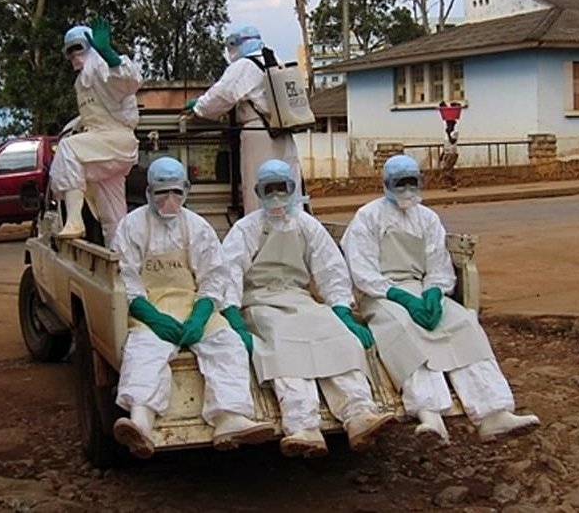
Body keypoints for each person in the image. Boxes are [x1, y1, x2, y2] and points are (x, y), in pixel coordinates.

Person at [340, 155, 539, 445]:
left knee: (463, 325)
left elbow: (438, 264)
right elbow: (362, 270)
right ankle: (428, 413)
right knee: (403, 330)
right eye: (400, 183)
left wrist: (434, 291)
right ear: (386, 184)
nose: (407, 189)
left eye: (412, 182)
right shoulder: (367, 217)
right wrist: (401, 297)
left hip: (421, 288)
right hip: (382, 294)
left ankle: (493, 412)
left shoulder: (428, 218)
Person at [221, 159, 394, 458]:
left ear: (293, 188)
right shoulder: (246, 228)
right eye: (269, 189)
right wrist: (233, 315)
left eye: (282, 188)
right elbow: (230, 270)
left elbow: (330, 268)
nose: (276, 196)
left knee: (336, 336)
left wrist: (341, 310)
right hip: (260, 301)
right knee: (282, 347)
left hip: (300, 299)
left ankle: (358, 412)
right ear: (258, 191)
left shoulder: (306, 225)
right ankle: (302, 425)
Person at [111, 157, 276, 459]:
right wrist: (152, 317)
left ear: (187, 190)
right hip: (151, 308)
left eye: (176, 191)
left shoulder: (197, 226)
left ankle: (229, 417)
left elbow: (214, 275)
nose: (169, 200)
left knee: (227, 344)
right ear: (148, 192)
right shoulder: (131, 226)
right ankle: (141, 421)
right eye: (161, 193)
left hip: (192, 305)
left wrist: (201, 315)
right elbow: (126, 279)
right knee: (143, 350)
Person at [183, 25, 304, 215]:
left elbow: (221, 96)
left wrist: (198, 106)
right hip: (283, 132)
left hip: (258, 133)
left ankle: (258, 234)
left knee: (258, 186)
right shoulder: (274, 60)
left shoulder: (245, 65)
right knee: (287, 188)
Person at [49, 16, 142, 240]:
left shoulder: (99, 65)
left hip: (114, 140)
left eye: (77, 48)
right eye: (68, 51)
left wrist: (109, 54)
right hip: (104, 144)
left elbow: (130, 82)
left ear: (90, 45)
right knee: (112, 212)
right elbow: (92, 113)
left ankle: (74, 220)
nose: (73, 55)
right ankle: (119, 256)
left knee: (69, 150)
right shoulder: (82, 80)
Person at [439, 102, 460, 191]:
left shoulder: (454, 133)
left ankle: (454, 184)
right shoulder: (446, 134)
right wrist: (442, 154)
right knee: (445, 169)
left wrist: (448, 133)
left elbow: (452, 141)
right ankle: (451, 185)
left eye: (449, 124)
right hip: (447, 153)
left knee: (448, 169)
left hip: (452, 153)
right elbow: (446, 144)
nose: (448, 126)